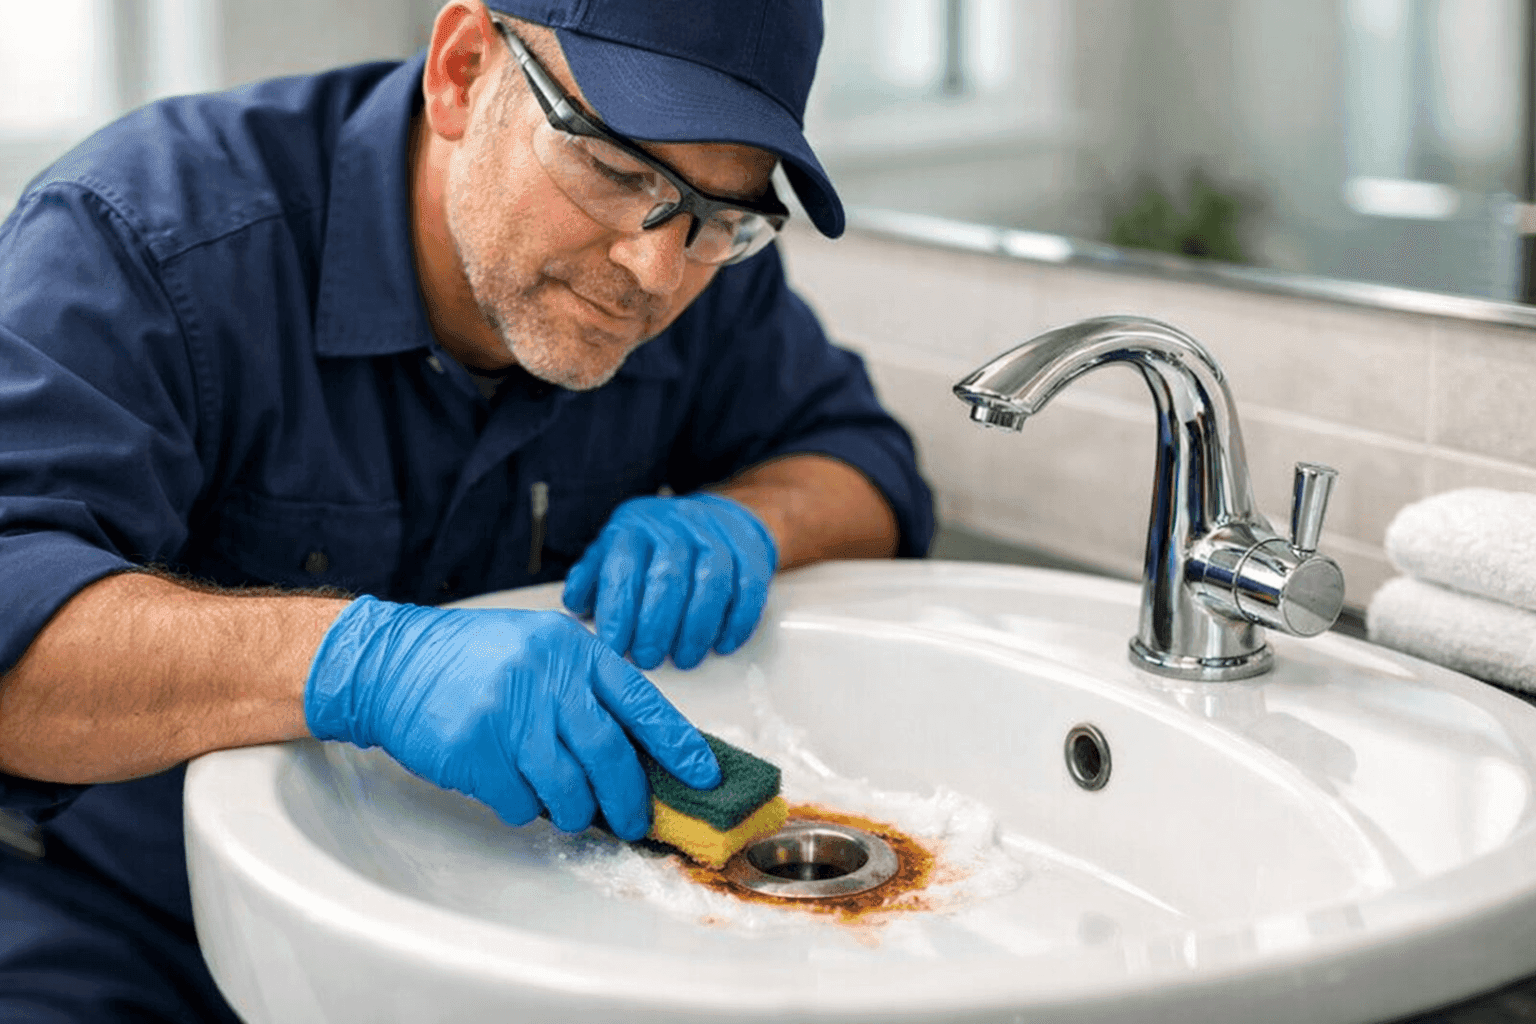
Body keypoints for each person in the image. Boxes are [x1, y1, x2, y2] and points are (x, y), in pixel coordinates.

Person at [0, 0, 932, 1019]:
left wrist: (753, 520)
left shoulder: (694, 251)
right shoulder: (146, 237)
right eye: (616, 173)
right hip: (124, 931)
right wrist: (358, 663)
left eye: (720, 218)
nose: (654, 270)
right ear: (462, 70)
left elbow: (865, 463)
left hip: (496, 936)